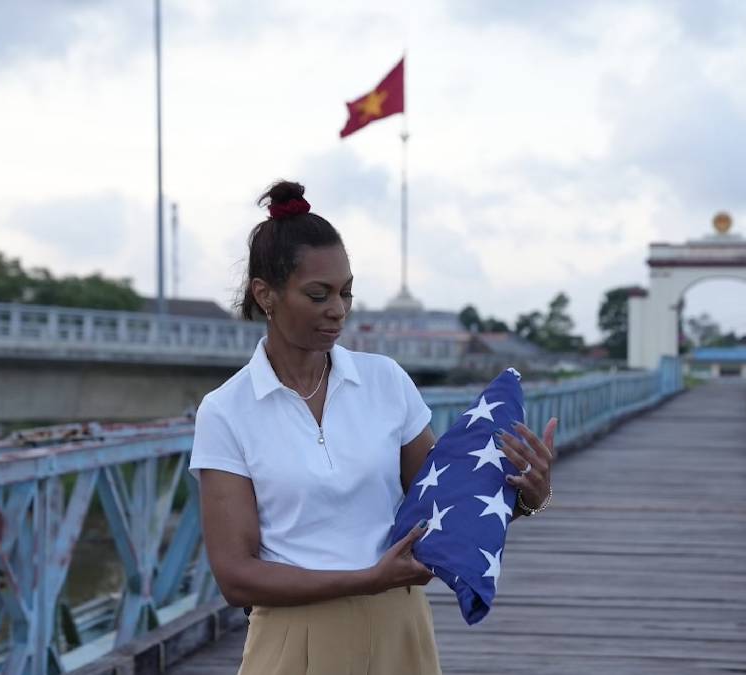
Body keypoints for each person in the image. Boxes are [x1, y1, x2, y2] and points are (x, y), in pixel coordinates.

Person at [190, 180, 557, 674]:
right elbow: (236, 577)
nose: (338, 309)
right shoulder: (226, 410)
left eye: (345, 292)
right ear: (266, 295)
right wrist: (365, 579)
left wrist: (527, 498)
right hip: (292, 639)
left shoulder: (385, 381)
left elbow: (440, 511)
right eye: (318, 294)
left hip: (398, 629)